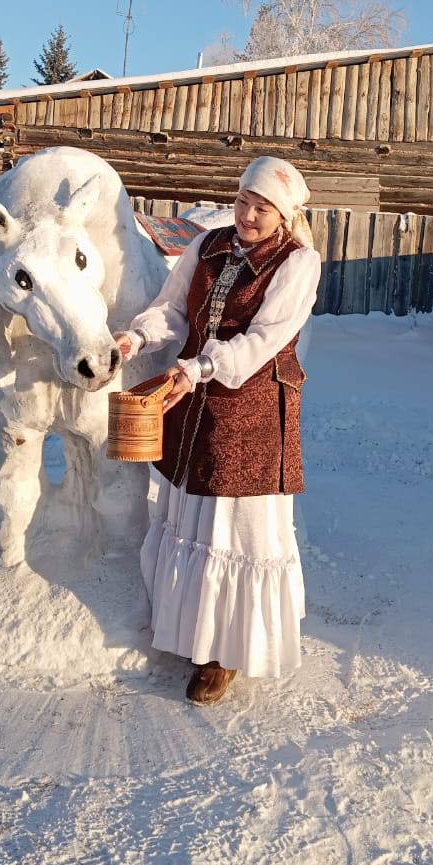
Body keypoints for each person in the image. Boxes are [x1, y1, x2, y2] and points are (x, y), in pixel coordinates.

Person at [114, 156, 321, 706]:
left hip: (250, 406)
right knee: (192, 516)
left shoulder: (299, 263)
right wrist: (137, 339)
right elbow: (174, 312)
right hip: (194, 399)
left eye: (262, 208)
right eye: (243, 201)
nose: (248, 215)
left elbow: (263, 339)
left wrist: (201, 367)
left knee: (236, 528)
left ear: (284, 215)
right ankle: (190, 632)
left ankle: (226, 651)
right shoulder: (208, 246)